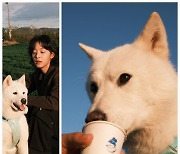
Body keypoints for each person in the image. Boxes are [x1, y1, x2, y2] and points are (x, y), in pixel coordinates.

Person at [25, 35, 59, 154]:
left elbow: (55, 102)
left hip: (56, 118)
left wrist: (26, 100)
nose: (37, 56)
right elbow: (23, 85)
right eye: (34, 52)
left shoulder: (57, 74)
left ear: (52, 55)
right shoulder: (37, 74)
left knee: (39, 112)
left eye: (42, 52)